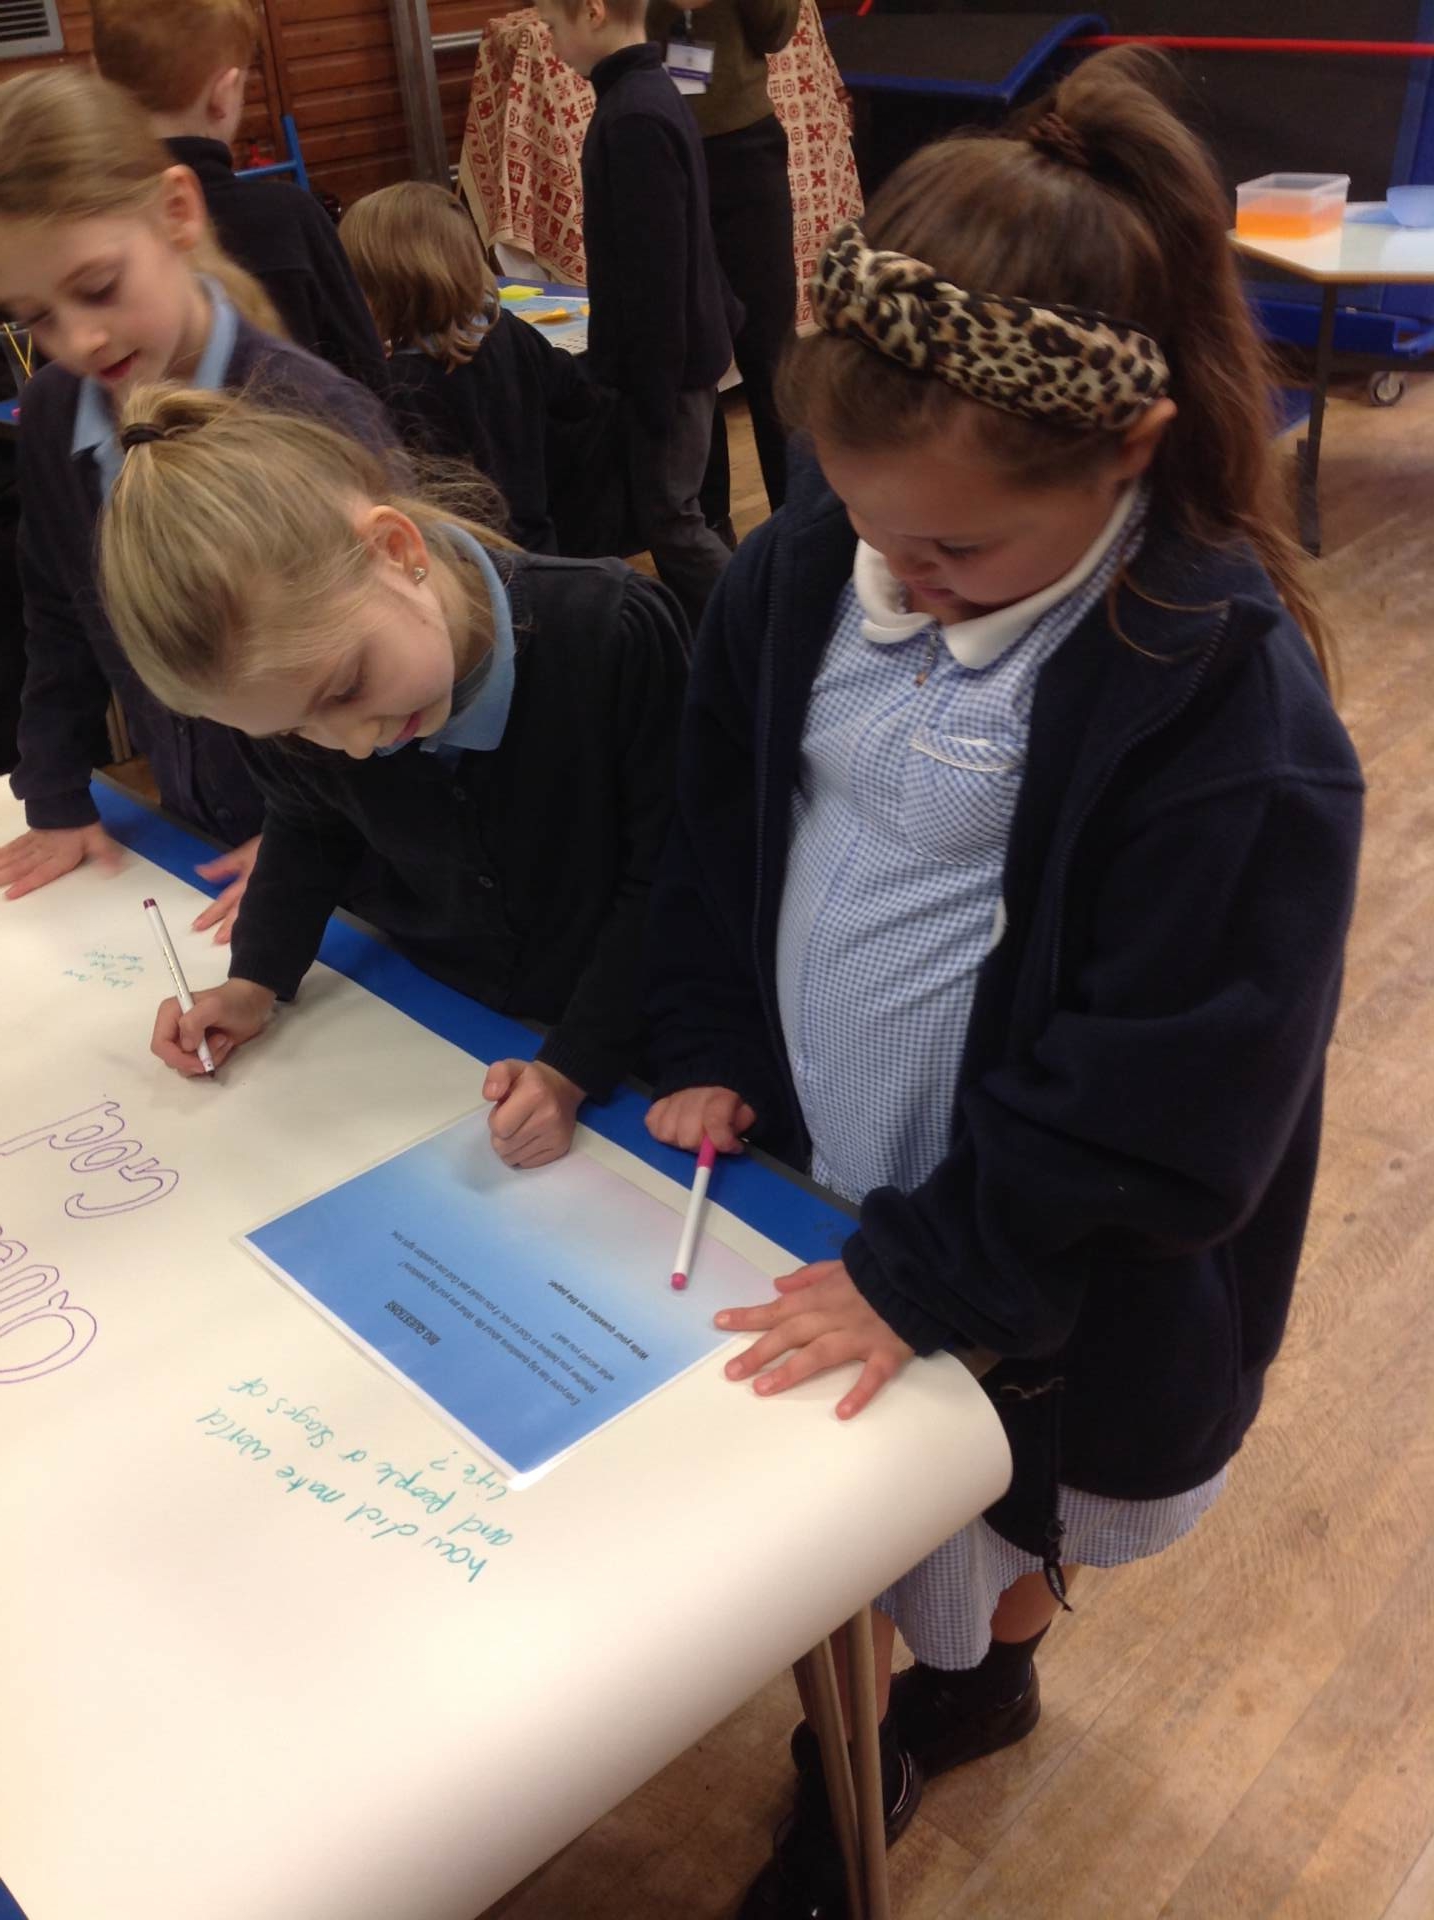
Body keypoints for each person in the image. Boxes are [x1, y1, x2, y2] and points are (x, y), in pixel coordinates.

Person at [643, 47, 1363, 1918]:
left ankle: (939, 1710)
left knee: (1004, 1508)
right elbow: (715, 836)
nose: (901, 576)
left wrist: (935, 1266)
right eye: (865, 523)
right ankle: (887, 1705)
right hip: (829, 1182)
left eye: (956, 548)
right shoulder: (806, 571)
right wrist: (710, 1035)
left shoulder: (1219, 703)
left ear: (1125, 452)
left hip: (1037, 1247)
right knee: (857, 1529)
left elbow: (1178, 1100)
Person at [99, 387, 688, 1169]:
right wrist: (254, 982)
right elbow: (308, 821)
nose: (347, 744)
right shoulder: (304, 703)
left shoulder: (609, 635)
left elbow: (671, 880)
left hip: (637, 1047)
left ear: (396, 550)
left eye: (347, 688)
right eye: (293, 729)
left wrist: (572, 1066)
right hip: (439, 1026)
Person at [0, 67, 392, 939]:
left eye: (98, 287)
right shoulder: (58, 413)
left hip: (351, 873)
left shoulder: (312, 416)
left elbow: (400, 670)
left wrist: (310, 845)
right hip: (197, 843)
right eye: (35, 318)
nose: (78, 339)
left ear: (176, 211)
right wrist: (55, 790)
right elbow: (58, 613)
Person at [535, 0, 735, 630]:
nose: (550, 41)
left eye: (552, 26)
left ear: (593, 12)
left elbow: (657, 273)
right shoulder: (643, 94)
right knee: (675, 515)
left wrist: (651, 391)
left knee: (672, 522)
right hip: (675, 358)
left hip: (667, 369)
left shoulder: (633, 116)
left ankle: (758, 629)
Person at [91, 0, 389, 396]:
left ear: (99, 80)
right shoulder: (289, 219)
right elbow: (371, 383)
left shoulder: (81, 244)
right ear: (225, 92)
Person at [338, 180, 624, 557]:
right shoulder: (505, 330)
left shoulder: (402, 386)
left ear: (387, 286)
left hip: (474, 566)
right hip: (542, 550)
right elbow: (580, 397)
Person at [648, 0, 798, 522]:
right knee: (688, 351)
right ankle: (707, 539)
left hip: (744, 144)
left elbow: (776, 31)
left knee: (770, 349)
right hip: (655, 137)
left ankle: (799, 525)